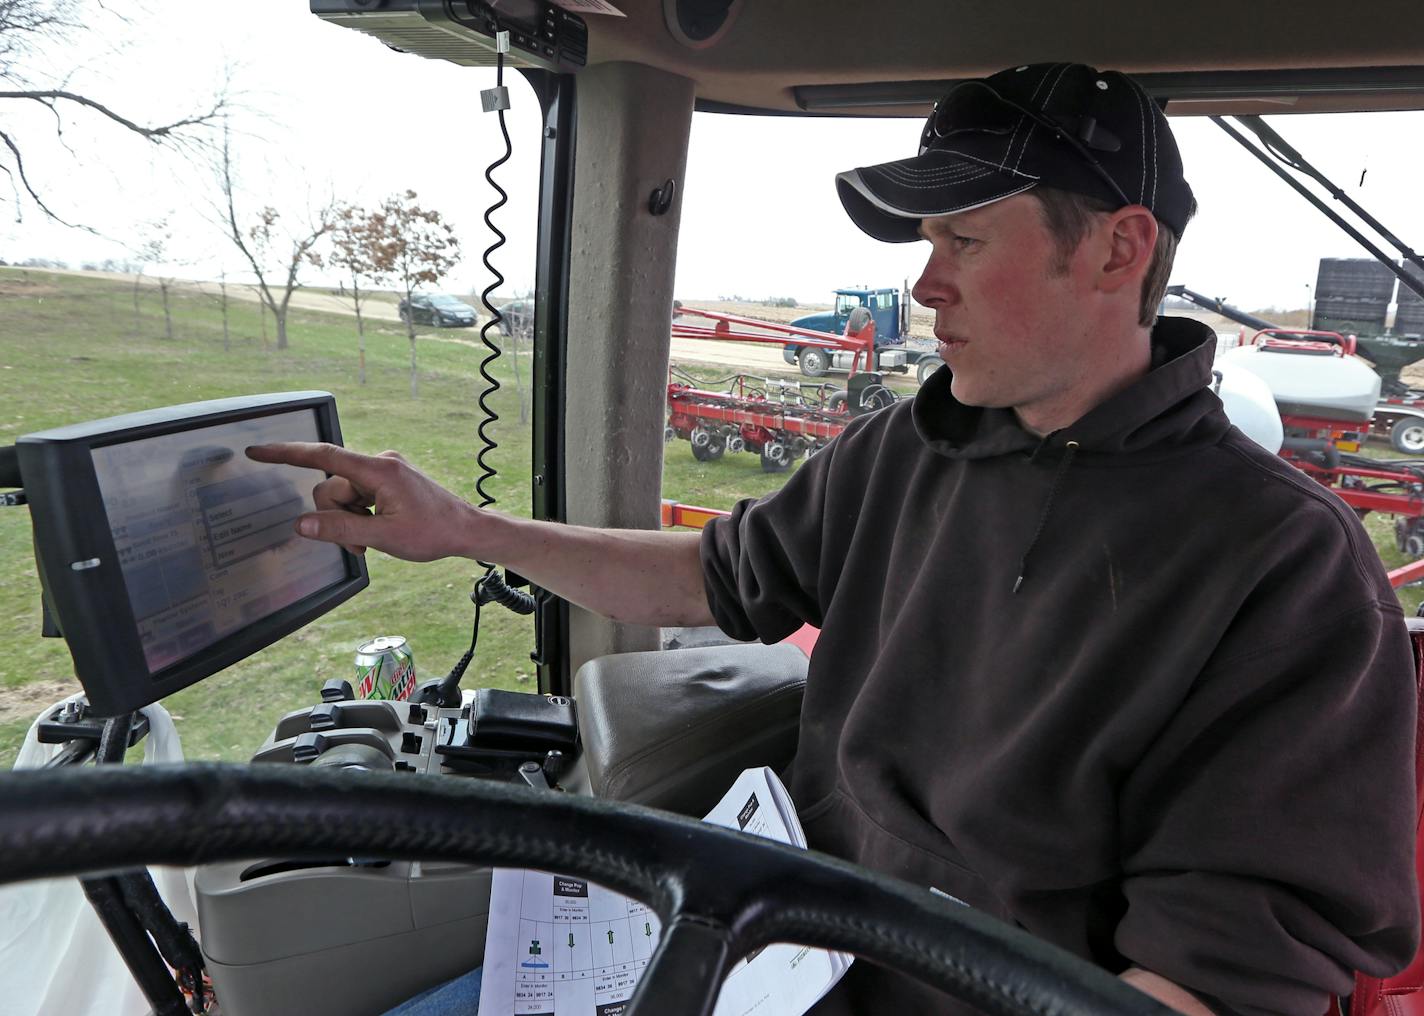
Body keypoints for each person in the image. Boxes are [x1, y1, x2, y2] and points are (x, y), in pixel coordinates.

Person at [249, 63, 1420, 1016]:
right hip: (766, 938)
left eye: (962, 240)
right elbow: (713, 575)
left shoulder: (1282, 567)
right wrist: (462, 527)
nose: (923, 286)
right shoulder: (908, 449)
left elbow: (1211, 972)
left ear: (1115, 251)